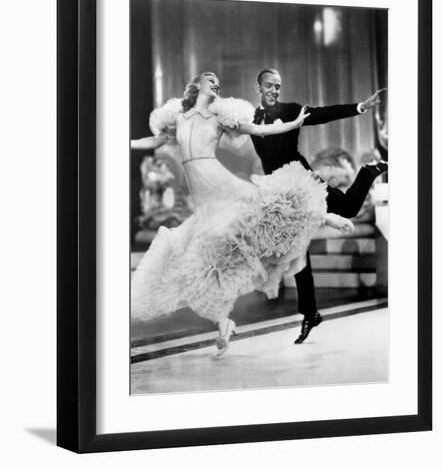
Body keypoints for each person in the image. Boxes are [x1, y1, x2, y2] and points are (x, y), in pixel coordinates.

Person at [131, 72, 354, 357]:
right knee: (202, 262)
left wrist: (293, 123)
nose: (216, 82)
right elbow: (152, 141)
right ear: (198, 84)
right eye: (210, 79)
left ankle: (324, 216)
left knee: (266, 205)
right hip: (203, 198)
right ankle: (224, 324)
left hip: (219, 182)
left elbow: (258, 130)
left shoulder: (219, 118)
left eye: (217, 81)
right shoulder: (179, 119)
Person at [250, 68, 388, 344]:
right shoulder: (252, 118)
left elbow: (323, 113)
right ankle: (310, 313)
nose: (275, 90)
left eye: (278, 86)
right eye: (270, 86)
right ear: (259, 87)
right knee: (297, 248)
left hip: (303, 182)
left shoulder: (290, 110)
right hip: (280, 191)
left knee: (346, 209)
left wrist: (360, 107)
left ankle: (369, 172)